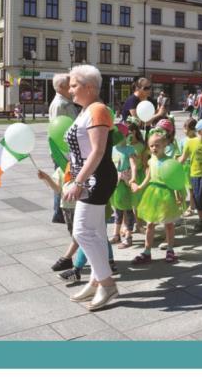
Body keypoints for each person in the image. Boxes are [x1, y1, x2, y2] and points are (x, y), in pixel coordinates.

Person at [62, 64, 119, 311]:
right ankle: (97, 281)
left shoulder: (97, 110)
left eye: (74, 85)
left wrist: (78, 181)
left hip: (97, 180)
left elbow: (98, 151)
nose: (70, 90)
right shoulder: (86, 110)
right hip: (90, 179)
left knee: (83, 231)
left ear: (89, 87)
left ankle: (106, 284)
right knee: (93, 232)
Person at [130, 131, 183, 264]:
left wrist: (178, 194)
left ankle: (170, 250)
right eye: (152, 145)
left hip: (166, 194)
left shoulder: (170, 161)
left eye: (157, 145)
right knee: (150, 224)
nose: (154, 148)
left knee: (169, 224)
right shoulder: (151, 160)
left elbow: (174, 179)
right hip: (153, 193)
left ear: (164, 145)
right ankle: (147, 251)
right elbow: (148, 177)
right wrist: (140, 187)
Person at [47, 73, 79, 224]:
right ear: (60, 88)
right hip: (62, 150)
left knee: (65, 179)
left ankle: (61, 211)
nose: (73, 88)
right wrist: (62, 152)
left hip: (66, 148)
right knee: (63, 180)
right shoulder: (60, 104)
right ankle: (59, 213)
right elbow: (58, 129)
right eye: (70, 85)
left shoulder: (66, 102)